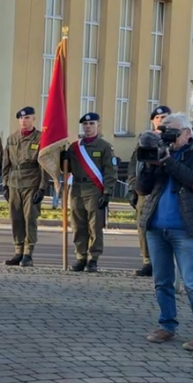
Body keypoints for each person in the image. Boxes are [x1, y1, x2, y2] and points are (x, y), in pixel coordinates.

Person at [136, 112, 193, 352]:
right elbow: (142, 189)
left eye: (171, 132)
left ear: (187, 133)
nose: (166, 137)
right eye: (162, 132)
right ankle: (167, 325)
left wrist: (168, 162)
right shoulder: (159, 152)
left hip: (185, 229)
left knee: (192, 283)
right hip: (156, 227)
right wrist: (149, 164)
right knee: (162, 281)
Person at [65, 113, 116, 272]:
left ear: (98, 125)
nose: (88, 127)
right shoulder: (74, 147)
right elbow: (67, 169)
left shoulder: (104, 146)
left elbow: (110, 171)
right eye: (85, 124)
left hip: (94, 190)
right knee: (78, 225)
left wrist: (107, 192)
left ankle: (93, 258)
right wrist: (63, 159)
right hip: (77, 189)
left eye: (91, 124)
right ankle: (80, 256)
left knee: (95, 226)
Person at [2, 106, 49, 266]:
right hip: (14, 183)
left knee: (29, 218)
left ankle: (28, 253)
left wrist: (42, 187)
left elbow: (44, 165)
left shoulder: (40, 138)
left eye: (27, 117)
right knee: (15, 218)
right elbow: (6, 163)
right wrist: (5, 184)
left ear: (33, 119)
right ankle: (18, 251)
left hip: (32, 183)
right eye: (21, 118)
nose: (24, 121)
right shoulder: (12, 138)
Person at [129, 105, 171, 277]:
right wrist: (132, 188)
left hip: (165, 190)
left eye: (165, 118)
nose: (161, 121)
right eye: (158, 118)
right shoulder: (144, 139)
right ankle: (147, 261)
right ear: (153, 121)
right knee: (143, 226)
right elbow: (134, 166)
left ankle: (164, 261)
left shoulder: (173, 139)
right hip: (145, 190)